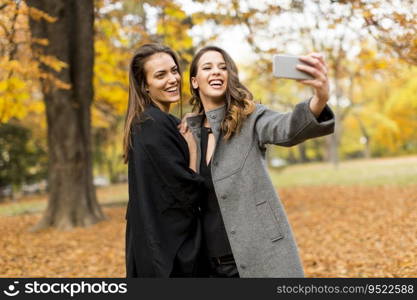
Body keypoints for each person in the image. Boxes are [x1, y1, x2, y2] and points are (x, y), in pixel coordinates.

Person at [180, 46, 335, 277]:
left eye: (223, 67)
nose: (216, 72)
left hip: (260, 255)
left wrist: (319, 98)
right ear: (195, 81)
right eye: (207, 67)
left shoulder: (251, 118)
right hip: (209, 264)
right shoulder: (186, 131)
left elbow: (288, 128)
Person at [123, 43, 205, 277]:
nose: (172, 79)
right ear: (144, 85)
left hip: (151, 247)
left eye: (174, 70)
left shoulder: (145, 122)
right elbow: (186, 192)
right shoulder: (155, 124)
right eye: (160, 75)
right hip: (170, 254)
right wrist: (193, 150)